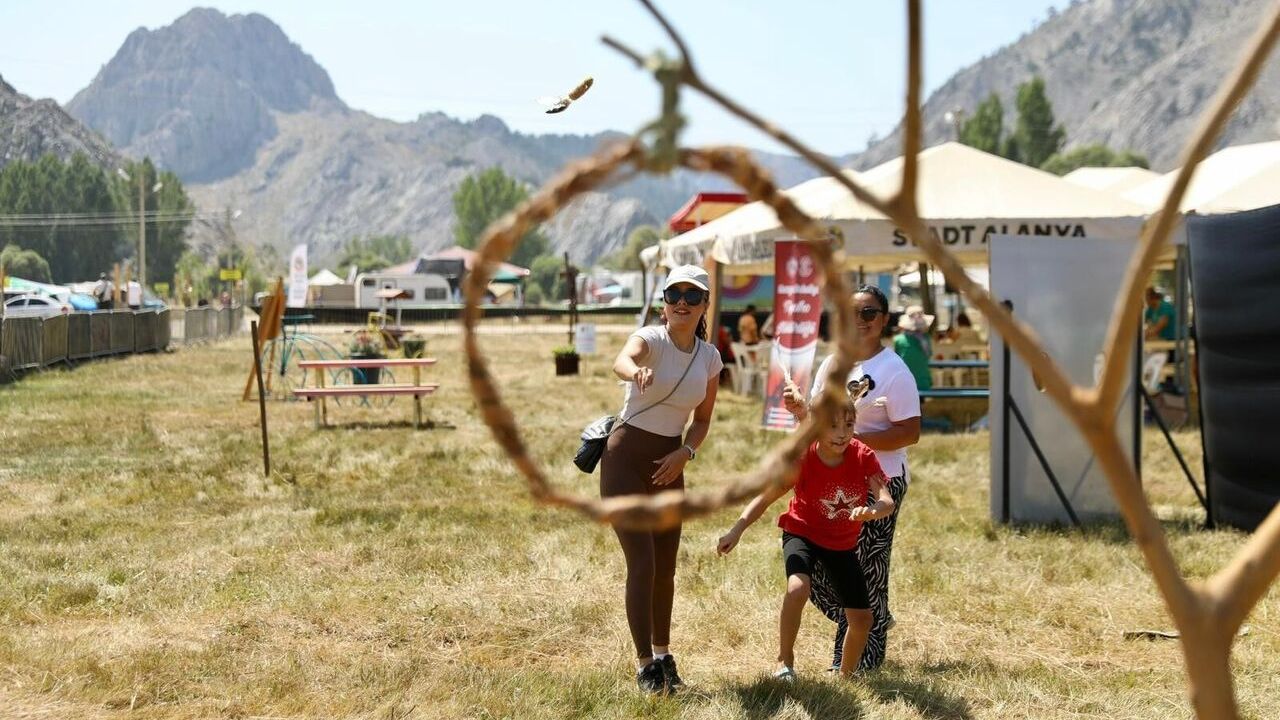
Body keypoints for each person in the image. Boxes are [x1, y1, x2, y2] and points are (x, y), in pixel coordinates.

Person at [782, 284, 921, 672]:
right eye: (851, 313)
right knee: (822, 569)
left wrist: (853, 439)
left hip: (879, 481)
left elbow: (910, 431)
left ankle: (857, 663)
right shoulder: (833, 364)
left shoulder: (895, 371)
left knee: (866, 572)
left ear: (884, 320)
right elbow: (817, 419)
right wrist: (800, 410)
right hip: (832, 482)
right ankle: (874, 615)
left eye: (869, 313)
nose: (860, 320)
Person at [717, 384, 895, 680]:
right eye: (832, 426)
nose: (842, 434)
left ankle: (846, 676)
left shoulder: (863, 455)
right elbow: (766, 497)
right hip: (802, 532)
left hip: (841, 543)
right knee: (797, 588)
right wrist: (737, 529)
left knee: (862, 620)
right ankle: (784, 660)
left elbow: (886, 500)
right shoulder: (804, 458)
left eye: (849, 425)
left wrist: (873, 510)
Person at [604, 264, 723, 694]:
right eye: (674, 295)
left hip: (670, 465)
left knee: (666, 569)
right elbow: (622, 359)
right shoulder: (650, 339)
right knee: (644, 563)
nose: (682, 303)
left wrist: (685, 453)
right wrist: (634, 372)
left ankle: (663, 655)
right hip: (625, 461)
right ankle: (645, 667)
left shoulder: (710, 358)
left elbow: (702, 420)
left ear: (705, 304)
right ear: (664, 303)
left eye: (692, 296)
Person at [893, 305, 933, 392]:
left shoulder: (898, 340)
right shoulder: (926, 339)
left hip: (904, 383)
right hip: (923, 382)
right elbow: (929, 355)